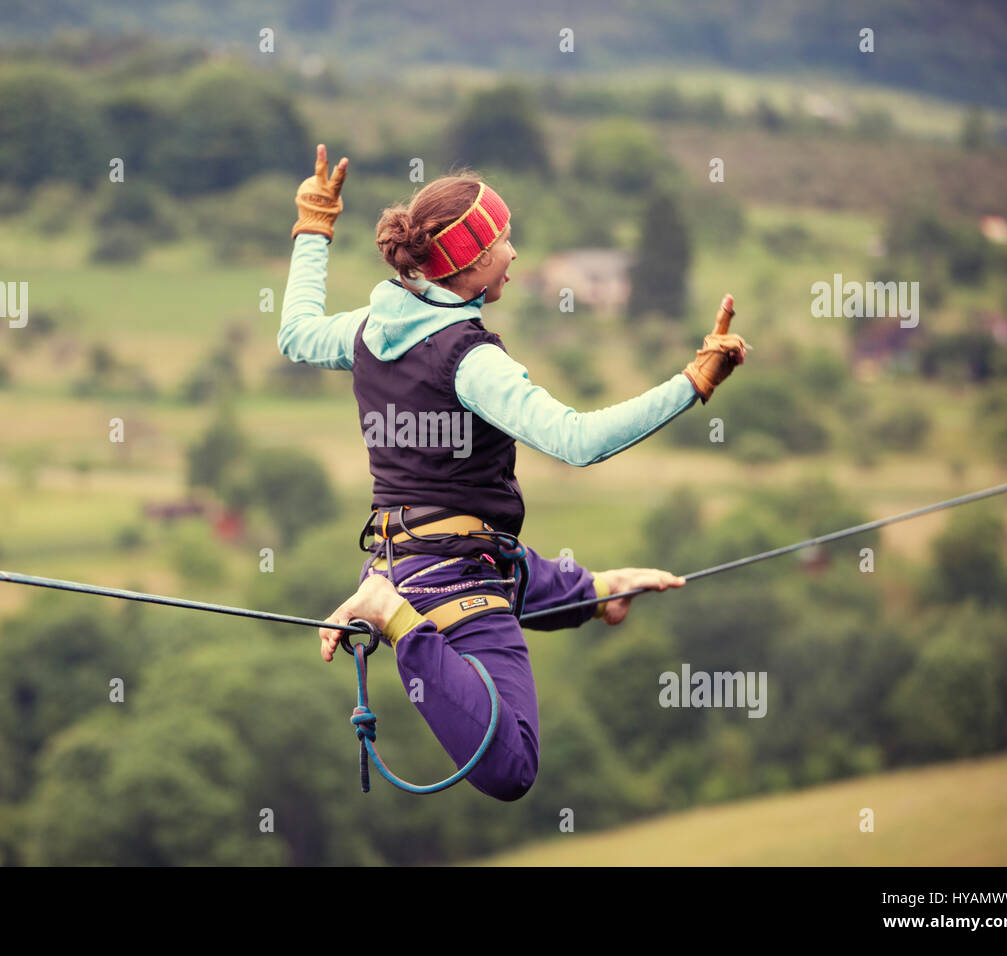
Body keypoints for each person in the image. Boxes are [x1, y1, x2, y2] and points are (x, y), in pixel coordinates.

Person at [280, 144, 748, 800]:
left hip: (412, 556)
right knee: (511, 767)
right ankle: (395, 617)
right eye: (504, 241)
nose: (515, 253)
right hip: (446, 574)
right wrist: (692, 382)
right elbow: (578, 441)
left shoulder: (368, 329)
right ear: (471, 265)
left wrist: (314, 223)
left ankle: (593, 590)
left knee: (514, 571)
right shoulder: (471, 361)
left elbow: (296, 332)